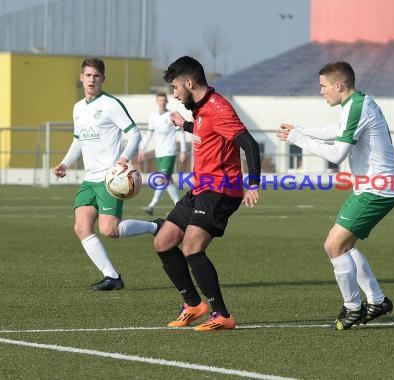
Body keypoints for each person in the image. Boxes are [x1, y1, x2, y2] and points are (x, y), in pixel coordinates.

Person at [278, 61, 394, 330]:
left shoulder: (357, 106)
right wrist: (298, 130)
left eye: (323, 86)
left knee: (333, 246)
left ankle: (353, 307)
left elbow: (337, 154)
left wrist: (297, 139)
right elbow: (334, 132)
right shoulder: (356, 103)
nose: (321, 91)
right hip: (371, 187)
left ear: (338, 85)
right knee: (346, 247)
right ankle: (377, 301)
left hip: (377, 189)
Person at [154, 56, 261, 331]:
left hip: (222, 189)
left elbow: (249, 144)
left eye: (176, 88)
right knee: (164, 241)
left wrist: (253, 183)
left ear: (189, 83)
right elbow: (209, 133)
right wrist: (185, 125)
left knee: (191, 247)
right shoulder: (200, 109)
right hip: (201, 187)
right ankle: (192, 305)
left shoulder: (218, 107)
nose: (175, 95)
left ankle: (222, 315)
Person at [53, 58, 160, 291]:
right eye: (88, 75)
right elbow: (78, 140)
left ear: (103, 79)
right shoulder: (78, 108)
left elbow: (134, 134)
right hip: (89, 180)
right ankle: (112, 277)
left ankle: (154, 227)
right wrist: (65, 163)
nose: (92, 79)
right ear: (81, 78)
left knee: (110, 230)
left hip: (110, 179)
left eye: (96, 76)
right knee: (81, 227)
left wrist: (124, 158)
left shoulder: (111, 104)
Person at [138, 91, 187, 216]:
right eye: (160, 100)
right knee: (167, 180)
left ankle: (152, 205)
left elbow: (180, 133)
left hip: (169, 152)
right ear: (157, 102)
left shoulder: (171, 116)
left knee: (161, 178)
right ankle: (178, 205)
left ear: (167, 101)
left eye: (164, 100)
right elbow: (149, 133)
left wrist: (183, 150)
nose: (162, 102)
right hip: (159, 153)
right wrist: (142, 148)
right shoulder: (153, 117)